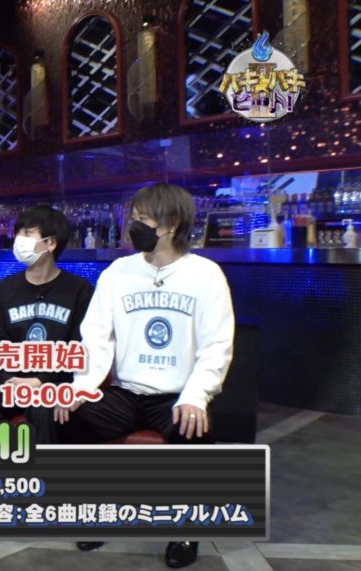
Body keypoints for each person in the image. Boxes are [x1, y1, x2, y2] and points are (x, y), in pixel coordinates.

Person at [56, 183, 235, 569]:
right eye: (133, 218)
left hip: (176, 395)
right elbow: (96, 337)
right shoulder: (118, 272)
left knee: (194, 432)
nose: (132, 227)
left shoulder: (206, 275)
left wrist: (196, 395)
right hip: (126, 392)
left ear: (171, 224)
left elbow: (216, 345)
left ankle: (185, 529)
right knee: (69, 417)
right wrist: (80, 388)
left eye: (142, 220)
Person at [0, 206, 93, 444]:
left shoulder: (79, 290)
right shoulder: (3, 289)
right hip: (9, 378)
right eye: (18, 233)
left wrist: (40, 380)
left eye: (27, 233)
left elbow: (79, 346)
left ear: (50, 243)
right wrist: (11, 379)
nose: (18, 241)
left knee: (45, 406)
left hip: (56, 378)